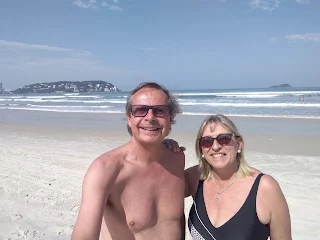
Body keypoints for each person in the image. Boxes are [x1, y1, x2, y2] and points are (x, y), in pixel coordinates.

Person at [71, 82, 186, 240]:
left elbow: (176, 221)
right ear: (129, 118)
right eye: (140, 110)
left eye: (160, 110)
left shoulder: (177, 158)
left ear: (170, 118)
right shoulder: (106, 169)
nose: (150, 117)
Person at [165, 114, 291, 240]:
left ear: (239, 144)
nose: (215, 147)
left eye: (224, 139)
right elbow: (159, 190)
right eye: (207, 142)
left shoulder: (264, 188)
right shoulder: (196, 177)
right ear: (201, 149)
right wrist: (160, 148)